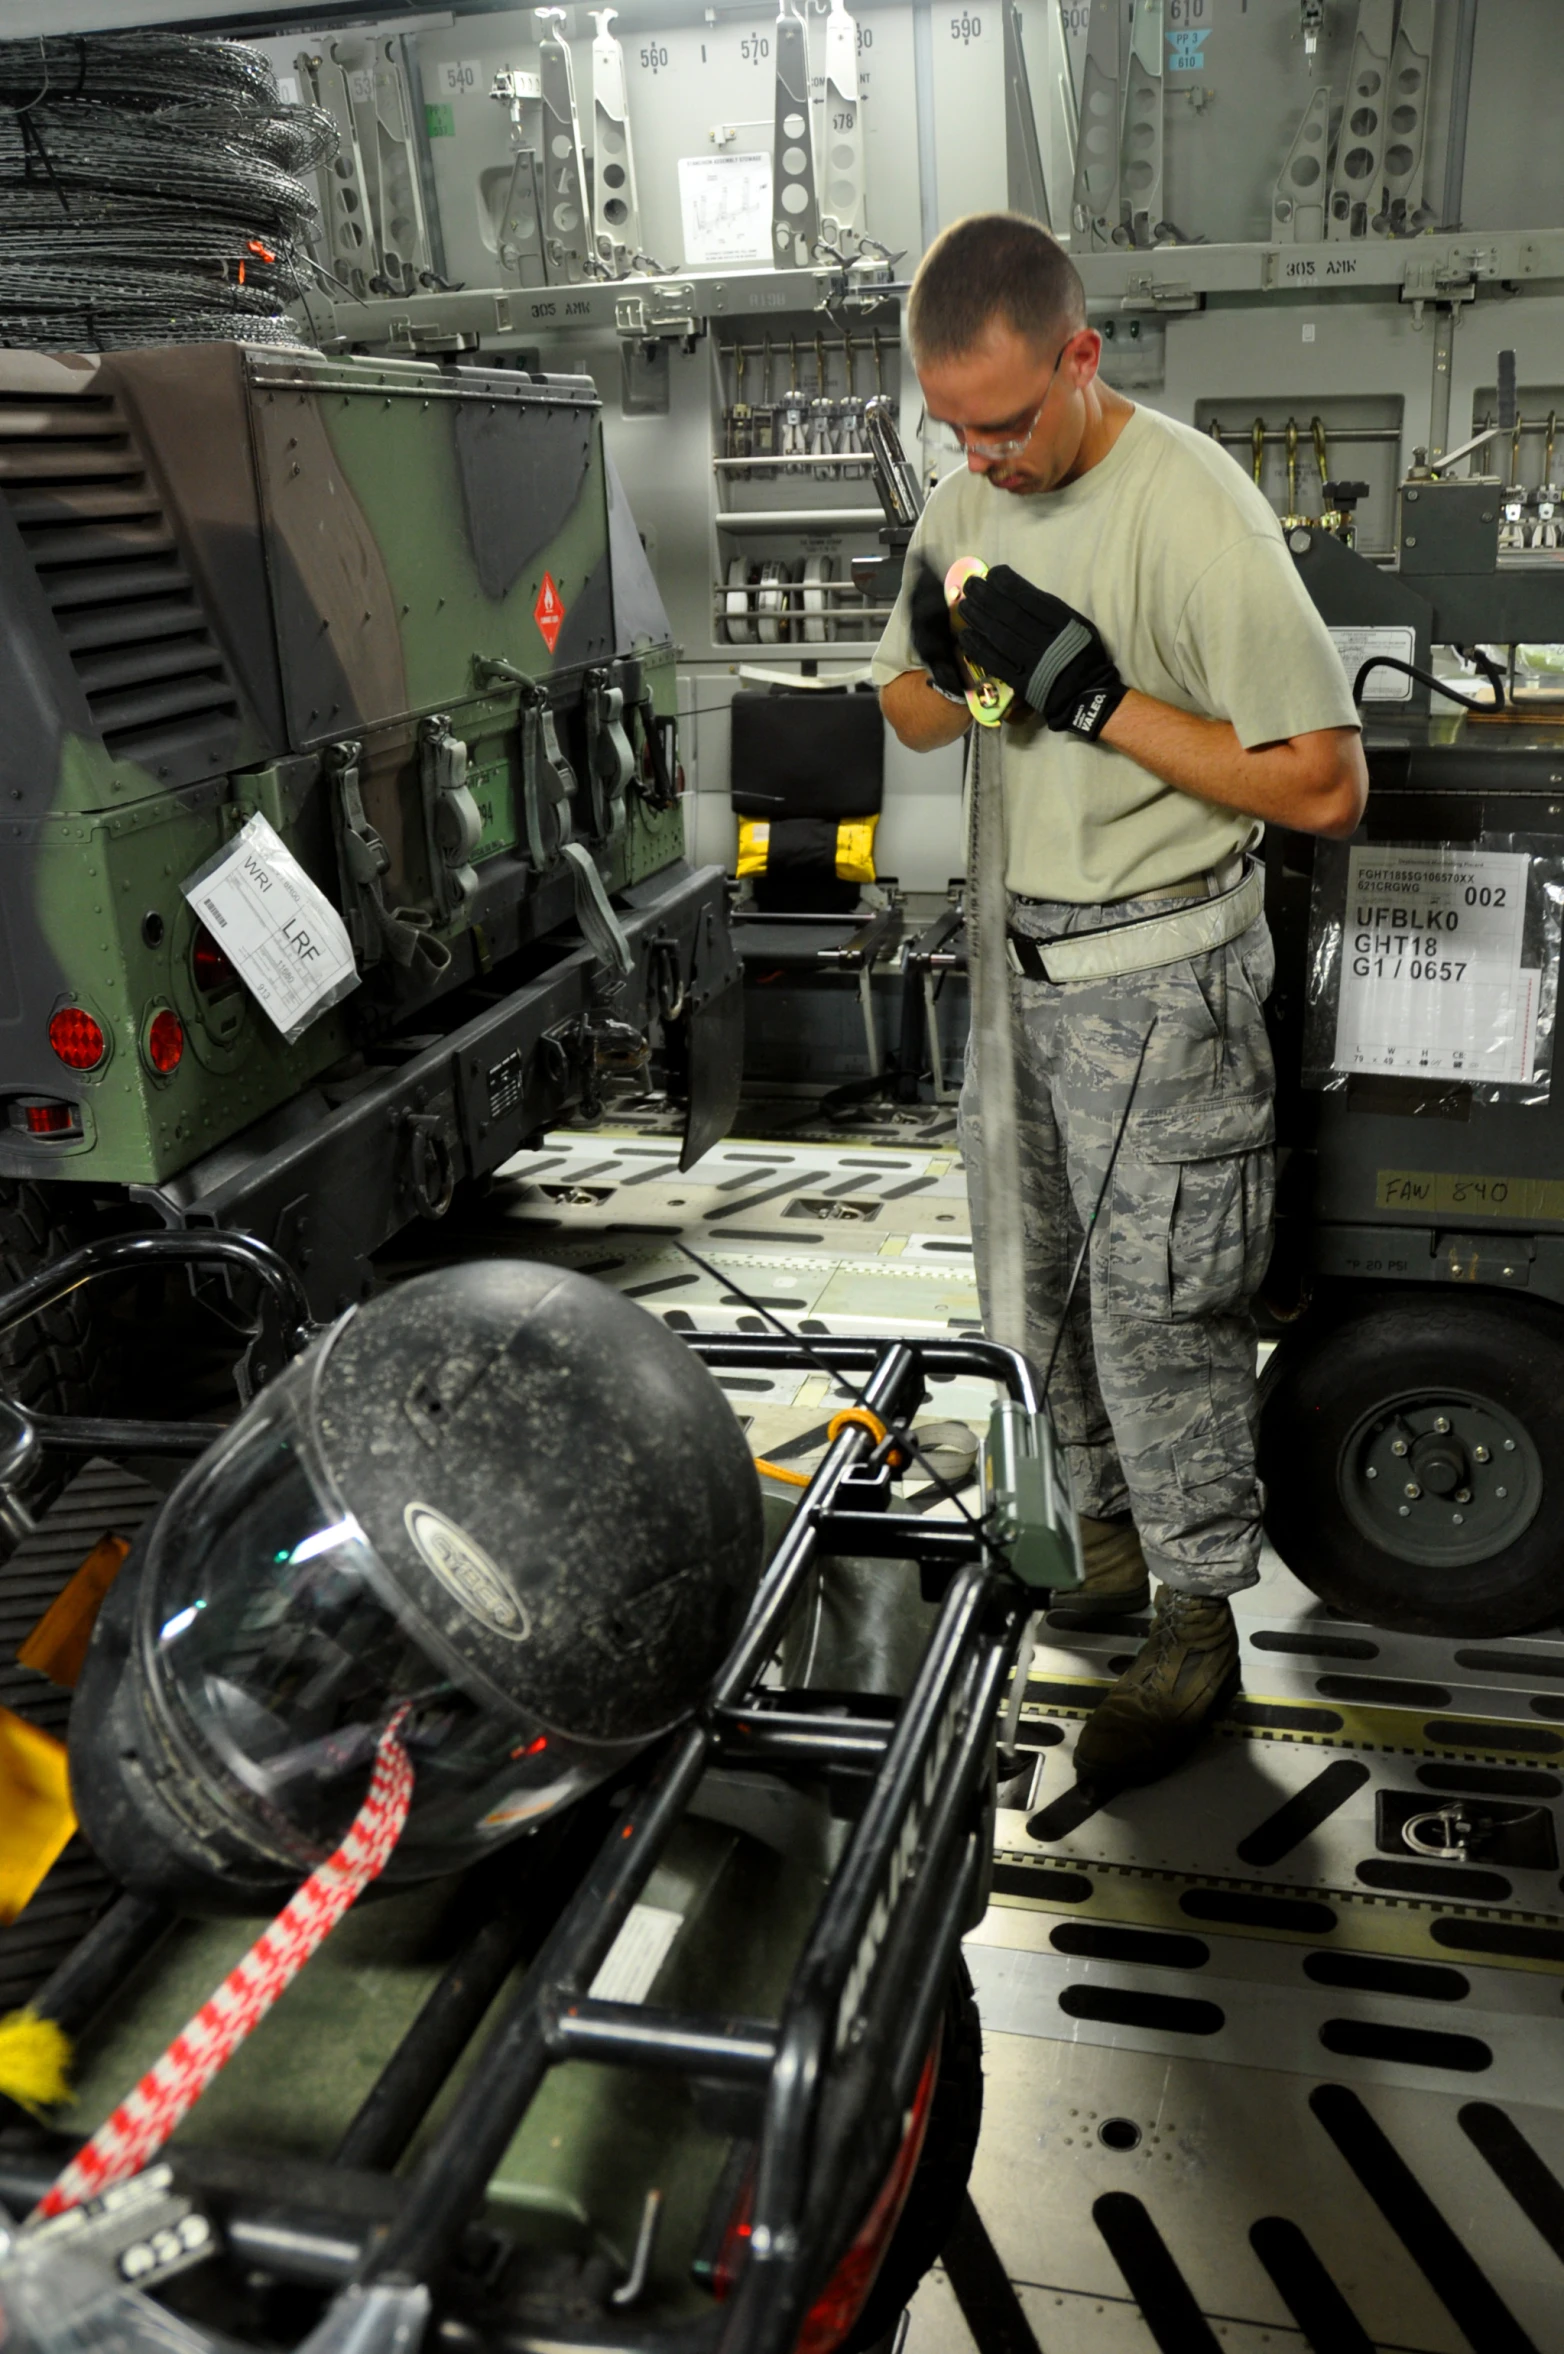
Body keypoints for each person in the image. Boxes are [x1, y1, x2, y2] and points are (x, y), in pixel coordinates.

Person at [872, 214, 1367, 1788]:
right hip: (1016, 970)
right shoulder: (962, 495)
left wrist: (1096, 698)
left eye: (1008, 423)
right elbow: (901, 703)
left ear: (1083, 358)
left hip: (1162, 977)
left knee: (1168, 1309)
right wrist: (959, 667)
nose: (982, 459)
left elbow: (1323, 785)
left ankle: (1198, 1616)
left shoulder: (1193, 508)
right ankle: (1099, 1539)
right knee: (1045, 1292)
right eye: (952, 427)